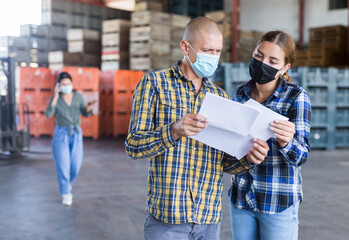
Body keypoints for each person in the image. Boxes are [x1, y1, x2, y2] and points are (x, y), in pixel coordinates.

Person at [125, 17, 270, 240]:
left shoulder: (220, 97)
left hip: (208, 218)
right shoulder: (154, 84)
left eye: (217, 51)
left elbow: (224, 163)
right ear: (186, 47)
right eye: (207, 50)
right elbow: (134, 146)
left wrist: (249, 157)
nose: (212, 57)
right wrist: (174, 131)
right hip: (168, 218)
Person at [229, 30, 311, 240]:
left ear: (284, 68)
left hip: (278, 202)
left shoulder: (296, 97)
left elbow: (301, 156)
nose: (263, 63)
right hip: (241, 200)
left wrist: (286, 142)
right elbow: (230, 150)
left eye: (273, 61)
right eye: (259, 56)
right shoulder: (239, 94)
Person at [45, 72, 97, 206]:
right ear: (58, 85)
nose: (66, 86)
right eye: (63, 84)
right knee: (63, 166)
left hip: (76, 133)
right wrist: (56, 96)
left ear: (72, 84)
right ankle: (65, 193)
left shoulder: (78, 97)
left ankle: (67, 184)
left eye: (68, 84)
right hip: (61, 134)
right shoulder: (56, 99)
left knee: (75, 166)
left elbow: (85, 114)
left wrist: (89, 107)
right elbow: (48, 114)